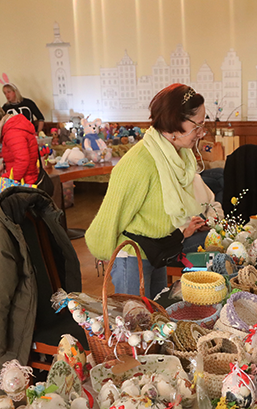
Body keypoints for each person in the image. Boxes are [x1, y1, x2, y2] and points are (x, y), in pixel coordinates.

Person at [84, 84, 209, 299]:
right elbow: (110, 217)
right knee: (136, 325)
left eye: (203, 125)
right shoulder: (140, 163)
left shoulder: (177, 157)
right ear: (173, 122)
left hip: (157, 250)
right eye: (197, 126)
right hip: (131, 256)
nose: (201, 133)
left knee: (155, 318)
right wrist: (105, 254)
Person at [0, 104, 39, 184]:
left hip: (25, 181)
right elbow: (17, 153)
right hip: (26, 178)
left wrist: (9, 180)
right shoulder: (13, 127)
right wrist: (5, 165)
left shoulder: (12, 132)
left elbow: (22, 160)